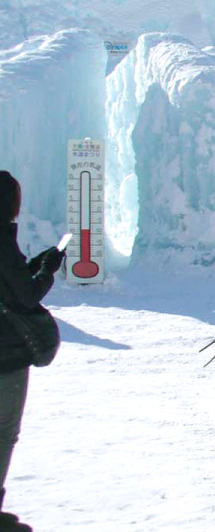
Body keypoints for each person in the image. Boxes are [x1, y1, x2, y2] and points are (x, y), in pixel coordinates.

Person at [0, 171, 64, 532]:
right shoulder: (1, 239)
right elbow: (25, 296)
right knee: (4, 431)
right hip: (5, 355)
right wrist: (47, 270)